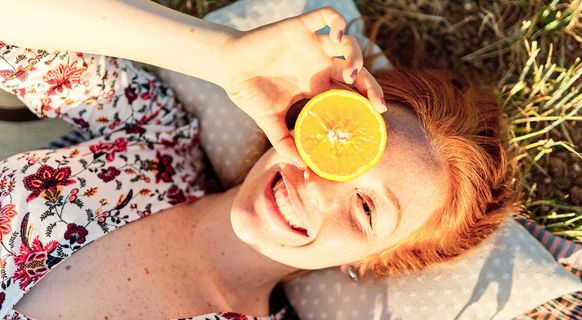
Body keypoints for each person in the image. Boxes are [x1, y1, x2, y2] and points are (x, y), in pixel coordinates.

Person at [0, 0, 513, 319]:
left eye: (367, 210)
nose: (316, 184)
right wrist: (220, 56)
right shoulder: (155, 141)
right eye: (340, 144)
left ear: (372, 262)